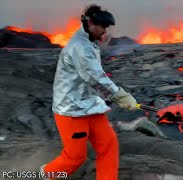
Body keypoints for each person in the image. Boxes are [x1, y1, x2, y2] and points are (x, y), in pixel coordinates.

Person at [40, 4, 137, 180]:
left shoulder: (89, 42)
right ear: (91, 23)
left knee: (108, 144)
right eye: (103, 27)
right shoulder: (80, 46)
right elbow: (95, 78)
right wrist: (121, 97)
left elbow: (92, 79)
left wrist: (108, 98)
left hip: (90, 106)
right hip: (71, 110)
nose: (105, 32)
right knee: (74, 158)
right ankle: (46, 175)